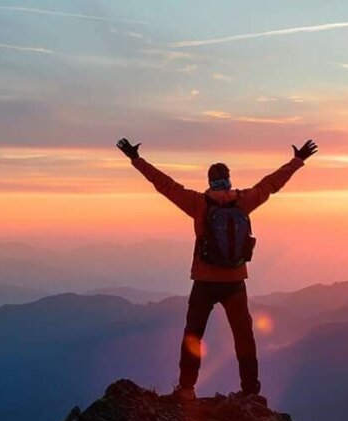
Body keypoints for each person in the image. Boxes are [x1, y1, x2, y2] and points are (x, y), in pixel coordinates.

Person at [116, 137, 318, 400]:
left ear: (210, 181)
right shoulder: (244, 201)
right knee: (243, 336)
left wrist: (136, 159)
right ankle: (249, 391)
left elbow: (164, 185)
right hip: (235, 281)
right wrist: (297, 160)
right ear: (229, 180)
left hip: (204, 281)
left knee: (193, 334)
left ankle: (187, 389)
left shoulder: (198, 203)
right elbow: (272, 183)